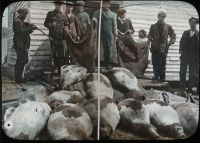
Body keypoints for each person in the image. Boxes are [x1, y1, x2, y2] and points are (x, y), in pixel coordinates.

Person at [148, 11, 176, 81]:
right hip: (154, 47)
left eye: (163, 17)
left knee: (162, 63)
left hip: (164, 47)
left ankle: (162, 77)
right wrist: (149, 40)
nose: (162, 18)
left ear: (164, 18)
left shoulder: (168, 26)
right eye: (160, 16)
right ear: (158, 17)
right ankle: (156, 76)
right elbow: (150, 35)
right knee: (155, 62)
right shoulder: (153, 26)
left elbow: (173, 35)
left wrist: (171, 42)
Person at [13, 8, 37, 83]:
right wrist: (30, 29)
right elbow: (21, 32)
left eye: (26, 14)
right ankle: (18, 79)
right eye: (24, 14)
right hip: (19, 44)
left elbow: (24, 26)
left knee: (23, 60)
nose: (25, 15)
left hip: (22, 44)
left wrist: (29, 26)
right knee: (20, 61)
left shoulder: (21, 22)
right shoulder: (17, 22)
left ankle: (19, 78)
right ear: (20, 13)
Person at [44, 0, 68, 76]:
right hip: (53, 38)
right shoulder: (50, 14)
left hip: (62, 38)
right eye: (57, 4)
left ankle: (60, 72)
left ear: (61, 5)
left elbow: (66, 24)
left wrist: (66, 28)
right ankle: (53, 72)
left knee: (61, 56)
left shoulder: (64, 15)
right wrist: (51, 25)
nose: (58, 6)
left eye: (60, 5)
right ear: (55, 4)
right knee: (54, 55)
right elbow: (45, 24)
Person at [92, 0, 118, 69]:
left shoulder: (113, 14)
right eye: (104, 3)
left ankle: (108, 63)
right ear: (102, 4)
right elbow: (93, 22)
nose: (105, 5)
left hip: (108, 34)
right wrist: (94, 21)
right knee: (96, 48)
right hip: (99, 33)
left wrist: (115, 35)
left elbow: (114, 26)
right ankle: (94, 62)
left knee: (107, 49)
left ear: (109, 5)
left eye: (107, 4)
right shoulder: (97, 12)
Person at [179, 17, 199, 92]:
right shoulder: (185, 32)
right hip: (185, 55)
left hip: (194, 57)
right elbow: (181, 42)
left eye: (194, 22)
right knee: (182, 72)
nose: (192, 23)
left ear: (196, 24)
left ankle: (190, 88)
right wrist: (181, 50)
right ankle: (182, 88)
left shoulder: (198, 34)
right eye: (190, 22)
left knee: (192, 74)